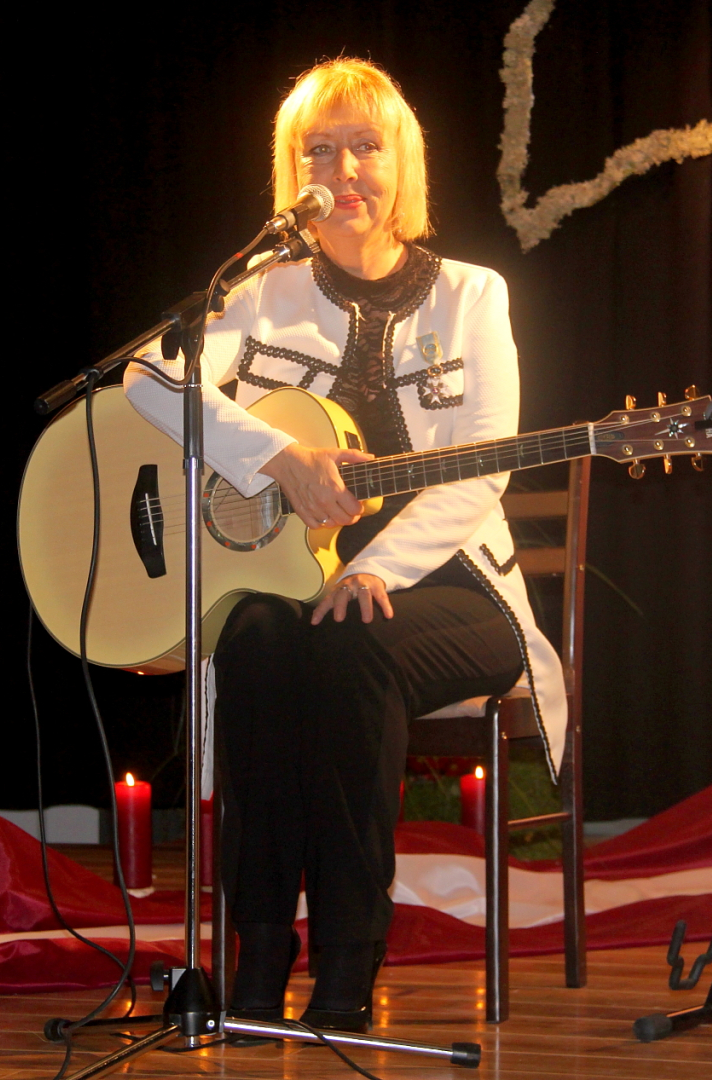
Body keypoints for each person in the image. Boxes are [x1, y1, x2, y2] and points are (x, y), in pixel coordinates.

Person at [124, 58, 565, 1032]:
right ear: (294, 175)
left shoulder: (473, 295)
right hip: (297, 582)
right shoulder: (261, 293)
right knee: (256, 640)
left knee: (350, 646)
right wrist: (275, 457)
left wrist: (373, 569)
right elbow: (148, 381)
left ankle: (349, 957)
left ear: (403, 163)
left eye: (366, 146)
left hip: (455, 587)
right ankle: (258, 952)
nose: (344, 169)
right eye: (318, 150)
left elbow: (480, 471)